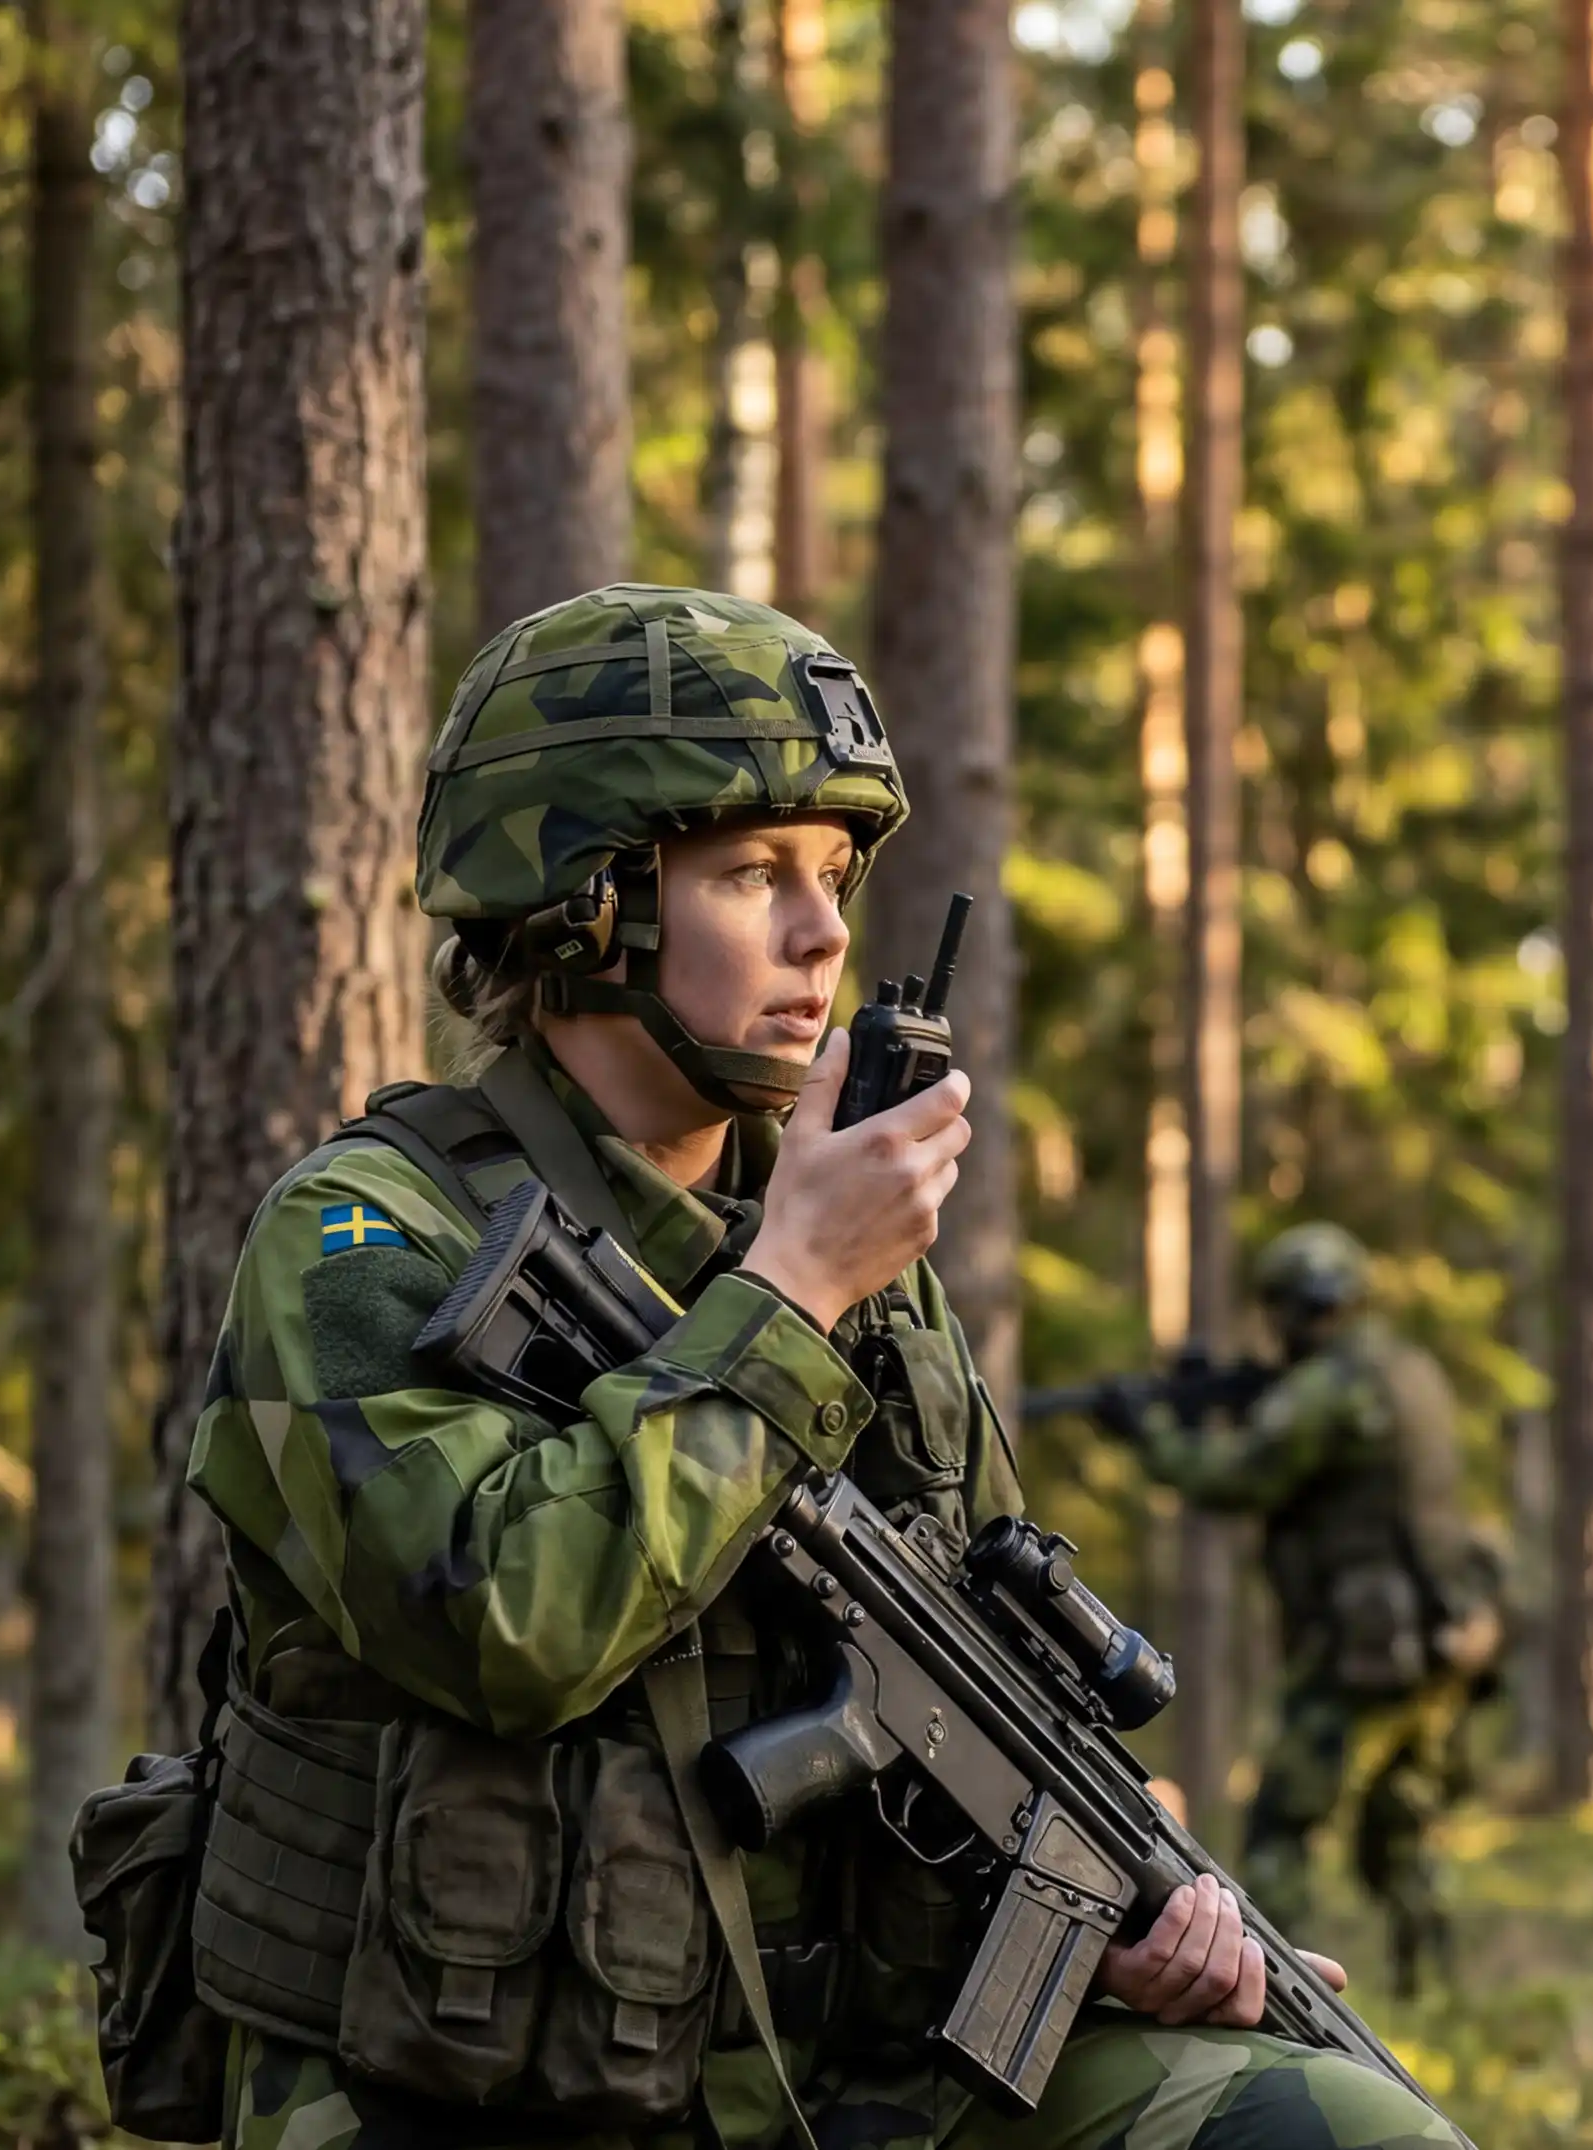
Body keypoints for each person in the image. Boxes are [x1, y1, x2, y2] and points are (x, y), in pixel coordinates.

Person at [178, 586, 1467, 2150]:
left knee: (1338, 2125)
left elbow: (983, 1662)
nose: (825, 932)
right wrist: (788, 1293)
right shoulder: (363, 1239)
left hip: (853, 2076)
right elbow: (506, 1623)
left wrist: (1114, 1915)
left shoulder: (848, 1246)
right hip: (473, 2092)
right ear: (589, 902)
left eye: (837, 875)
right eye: (751, 873)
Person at [1112, 1222, 1499, 1998]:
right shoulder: (1407, 1369)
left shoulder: (1332, 1386)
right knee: (1401, 1826)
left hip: (1367, 1649)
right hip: (1437, 1637)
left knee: (1280, 1829)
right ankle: (1445, 1993)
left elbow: (1238, 1478)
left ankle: (1274, 1999)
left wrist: (1148, 1433)